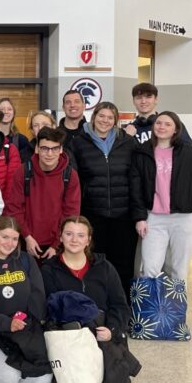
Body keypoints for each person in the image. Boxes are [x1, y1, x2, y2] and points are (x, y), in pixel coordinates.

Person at [130, 111, 192, 283]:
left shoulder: (191, 154)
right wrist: (140, 217)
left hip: (184, 219)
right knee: (150, 268)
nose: (162, 127)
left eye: (168, 124)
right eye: (159, 123)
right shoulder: (142, 153)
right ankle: (152, 309)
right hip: (153, 218)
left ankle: (175, 309)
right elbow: (136, 189)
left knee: (179, 269)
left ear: (176, 129)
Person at [0, 216, 52, 383]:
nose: (10, 243)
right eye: (5, 237)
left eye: (15, 239)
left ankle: (16, 368)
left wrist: (25, 322)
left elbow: (38, 296)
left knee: (42, 381)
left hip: (23, 330)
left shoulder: (26, 261)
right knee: (7, 380)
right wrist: (7, 323)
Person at [70, 102, 139, 287]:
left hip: (123, 215)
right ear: (94, 117)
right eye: (101, 116)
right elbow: (74, 179)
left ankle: (122, 308)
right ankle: (98, 306)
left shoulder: (128, 142)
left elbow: (136, 177)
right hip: (93, 214)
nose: (105, 121)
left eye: (110, 118)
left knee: (123, 264)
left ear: (116, 121)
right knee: (95, 263)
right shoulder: (78, 143)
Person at [41, 216, 129, 352]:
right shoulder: (49, 269)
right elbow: (49, 309)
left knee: (115, 369)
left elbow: (120, 306)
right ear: (60, 237)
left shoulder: (104, 267)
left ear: (88, 240)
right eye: (69, 234)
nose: (74, 240)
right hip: (67, 337)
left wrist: (111, 330)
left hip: (102, 333)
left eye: (81, 235)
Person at [5, 126, 81, 260]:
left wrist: (56, 245)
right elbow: (14, 208)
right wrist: (27, 237)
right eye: (45, 148)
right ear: (37, 149)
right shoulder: (23, 172)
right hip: (26, 241)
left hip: (57, 244)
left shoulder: (70, 175)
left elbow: (71, 213)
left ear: (61, 150)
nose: (49, 154)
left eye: (55, 148)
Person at [123, 83, 192, 146]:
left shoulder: (171, 124)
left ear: (156, 99)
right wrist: (127, 137)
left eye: (148, 97)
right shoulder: (128, 130)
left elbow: (189, 152)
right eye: (139, 98)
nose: (143, 101)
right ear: (133, 101)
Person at [0, 97, 31, 164]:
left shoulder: (21, 140)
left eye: (9, 109)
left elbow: (24, 166)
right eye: (2, 109)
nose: (5, 112)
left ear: (14, 113)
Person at [58, 89, 87, 154]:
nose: (72, 105)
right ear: (63, 107)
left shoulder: (92, 132)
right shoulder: (55, 134)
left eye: (77, 101)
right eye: (68, 102)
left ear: (84, 106)